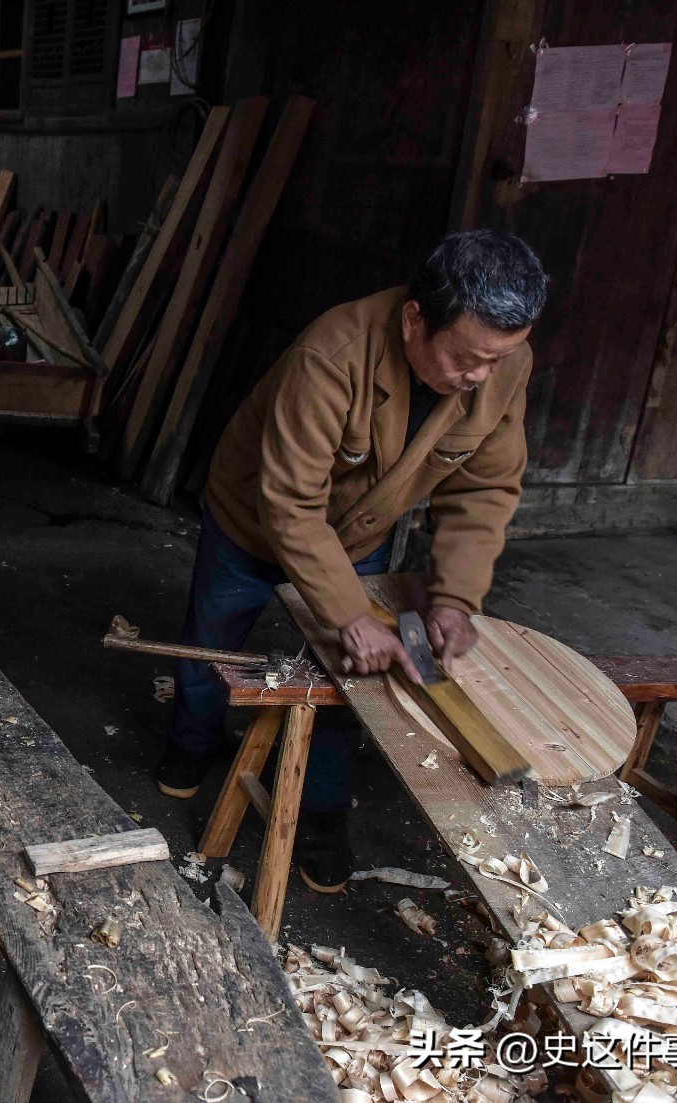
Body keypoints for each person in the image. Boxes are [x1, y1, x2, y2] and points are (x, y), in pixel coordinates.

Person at [155, 228, 549, 892]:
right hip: (256, 513)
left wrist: (455, 597)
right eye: (466, 358)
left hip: (358, 533)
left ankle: (322, 815)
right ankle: (189, 746)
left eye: (499, 357)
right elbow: (290, 503)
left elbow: (485, 486)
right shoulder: (332, 353)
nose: (480, 376)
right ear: (415, 318)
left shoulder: (502, 363)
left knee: (350, 679)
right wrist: (347, 611)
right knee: (215, 640)